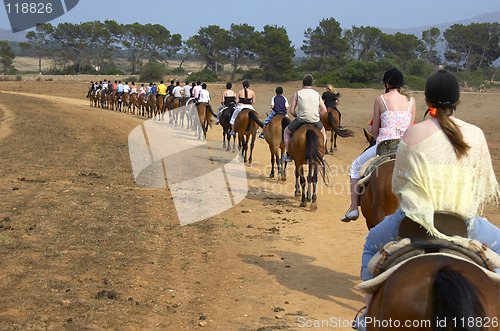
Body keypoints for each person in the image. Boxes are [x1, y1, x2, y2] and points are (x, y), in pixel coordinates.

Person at [354, 69, 500, 331]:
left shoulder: (412, 134)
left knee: (370, 244)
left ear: (428, 101)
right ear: (458, 101)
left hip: (413, 221)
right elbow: (483, 184)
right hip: (464, 222)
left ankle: (367, 316)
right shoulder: (476, 134)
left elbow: (399, 187)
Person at [341, 68, 416, 222]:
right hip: (405, 147)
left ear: (387, 83)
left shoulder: (380, 99)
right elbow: (411, 128)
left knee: (355, 167)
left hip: (384, 145)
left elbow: (374, 130)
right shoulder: (412, 101)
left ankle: (354, 209)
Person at [281, 74, 327, 162]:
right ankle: (322, 153)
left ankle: (288, 154)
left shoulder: (298, 93)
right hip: (315, 120)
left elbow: (291, 110)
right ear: (312, 83)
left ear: (303, 83)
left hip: (300, 120)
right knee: (323, 133)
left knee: (286, 132)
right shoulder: (317, 94)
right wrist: (317, 116)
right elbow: (324, 110)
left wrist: (297, 116)